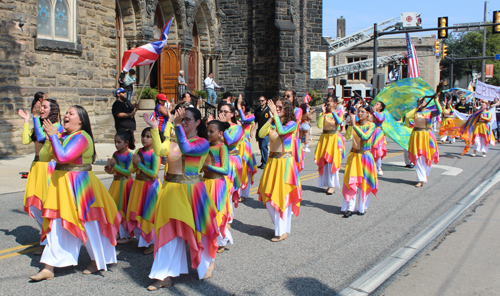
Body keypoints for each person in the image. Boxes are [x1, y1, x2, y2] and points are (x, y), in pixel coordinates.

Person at [30, 106, 120, 281]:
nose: (66, 115)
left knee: (89, 225)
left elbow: (63, 157)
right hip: (61, 185)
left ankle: (96, 260)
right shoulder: (63, 137)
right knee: (57, 224)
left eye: (71, 113)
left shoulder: (82, 137)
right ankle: (49, 267)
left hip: (80, 186)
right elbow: (43, 158)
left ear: (81, 120)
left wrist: (55, 136)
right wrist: (51, 137)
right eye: (67, 113)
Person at [145, 107, 218, 290]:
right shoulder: (172, 141)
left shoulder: (202, 142)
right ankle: (164, 276)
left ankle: (207, 262)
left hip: (192, 192)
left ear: (197, 122)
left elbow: (187, 148)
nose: (184, 122)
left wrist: (176, 125)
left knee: (196, 231)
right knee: (167, 232)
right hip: (171, 191)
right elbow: (160, 151)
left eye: (187, 119)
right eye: (181, 119)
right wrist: (155, 128)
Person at [18, 98, 63, 255]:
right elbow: (25, 140)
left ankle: (49, 242)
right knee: (34, 205)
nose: (41, 109)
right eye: (41, 107)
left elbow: (43, 137)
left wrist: (36, 117)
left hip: (48, 169)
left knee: (46, 206)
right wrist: (27, 120)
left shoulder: (56, 126)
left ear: (53, 110)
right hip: (36, 167)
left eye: (45, 107)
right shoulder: (38, 125)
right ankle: (46, 239)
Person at [258, 98, 302, 242]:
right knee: (268, 195)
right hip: (272, 163)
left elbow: (282, 132)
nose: (276, 109)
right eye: (276, 107)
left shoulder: (292, 124)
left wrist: (275, 117)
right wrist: (270, 120)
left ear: (287, 109)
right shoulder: (274, 122)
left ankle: (281, 231)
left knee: (281, 196)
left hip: (284, 163)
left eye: (279, 107)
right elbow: (260, 134)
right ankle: (281, 228)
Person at [125, 127, 161, 255]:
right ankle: (143, 240)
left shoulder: (155, 153)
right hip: (138, 186)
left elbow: (154, 174)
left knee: (149, 214)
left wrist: (139, 164)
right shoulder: (138, 151)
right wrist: (134, 166)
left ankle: (152, 242)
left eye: (148, 136)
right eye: (143, 136)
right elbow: (130, 170)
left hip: (151, 187)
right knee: (138, 212)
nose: (144, 139)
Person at [202, 120, 233, 253]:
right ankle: (208, 238)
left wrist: (207, 167)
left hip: (218, 184)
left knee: (218, 213)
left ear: (220, 133)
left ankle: (221, 240)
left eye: (211, 131)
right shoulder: (205, 146)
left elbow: (225, 170)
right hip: (205, 183)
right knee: (206, 213)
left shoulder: (222, 147)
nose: (208, 134)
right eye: (207, 131)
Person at [342, 106, 377, 218]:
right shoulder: (355, 124)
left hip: (365, 157)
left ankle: (362, 207)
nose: (360, 113)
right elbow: (347, 136)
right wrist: (350, 125)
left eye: (362, 111)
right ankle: (350, 208)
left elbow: (365, 137)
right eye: (358, 111)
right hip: (354, 156)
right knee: (352, 182)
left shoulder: (371, 125)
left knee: (363, 182)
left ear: (368, 113)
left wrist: (354, 125)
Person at [104, 130, 135, 244]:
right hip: (116, 183)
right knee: (114, 208)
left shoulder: (129, 155)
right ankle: (117, 232)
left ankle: (127, 235)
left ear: (126, 143)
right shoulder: (115, 154)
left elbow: (127, 172)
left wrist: (115, 166)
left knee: (124, 209)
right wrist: (109, 170)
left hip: (125, 184)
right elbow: (114, 170)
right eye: (115, 142)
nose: (116, 145)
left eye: (119, 142)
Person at [406, 96, 443, 187]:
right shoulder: (415, 112)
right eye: (419, 101)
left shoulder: (430, 112)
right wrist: (416, 109)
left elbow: (440, 111)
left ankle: (425, 174)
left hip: (427, 135)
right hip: (417, 135)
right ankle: (420, 179)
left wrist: (436, 100)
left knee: (428, 155)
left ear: (426, 102)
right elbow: (407, 116)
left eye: (422, 101)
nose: (421, 102)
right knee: (418, 157)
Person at [314, 96, 345, 195]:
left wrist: (333, 111)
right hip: (325, 138)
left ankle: (332, 185)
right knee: (325, 161)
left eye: (331, 101)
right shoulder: (323, 113)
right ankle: (328, 184)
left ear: (335, 103)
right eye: (328, 101)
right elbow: (319, 125)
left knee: (332, 161)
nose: (329, 103)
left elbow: (339, 122)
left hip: (334, 138)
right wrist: (322, 113)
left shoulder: (339, 112)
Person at [218, 103, 244, 209]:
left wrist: (223, 127)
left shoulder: (237, 128)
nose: (222, 114)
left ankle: (228, 219)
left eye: (225, 112)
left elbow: (229, 141)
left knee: (227, 190)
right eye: (220, 111)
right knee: (219, 190)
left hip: (231, 161)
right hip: (219, 159)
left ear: (232, 114)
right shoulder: (216, 126)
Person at [236, 95, 257, 203]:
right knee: (237, 169)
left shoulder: (251, 116)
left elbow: (244, 119)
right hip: (236, 146)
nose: (240, 109)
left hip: (245, 146)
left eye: (242, 107)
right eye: (239, 107)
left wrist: (239, 106)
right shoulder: (235, 117)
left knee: (246, 170)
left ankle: (244, 194)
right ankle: (236, 191)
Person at [284, 90, 304, 172]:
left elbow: (293, 123)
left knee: (292, 167)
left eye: (288, 96)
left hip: (292, 140)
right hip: (283, 141)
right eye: (284, 96)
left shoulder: (298, 110)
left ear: (294, 98)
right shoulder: (281, 110)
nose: (286, 98)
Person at [253, 96, 271, 169]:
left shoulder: (268, 110)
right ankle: (263, 161)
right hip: (259, 131)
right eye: (259, 101)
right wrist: (252, 131)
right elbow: (255, 121)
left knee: (264, 147)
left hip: (266, 132)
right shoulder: (257, 111)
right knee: (261, 147)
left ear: (265, 101)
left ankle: (265, 162)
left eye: (262, 100)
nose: (261, 102)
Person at [370, 102, 387, 175]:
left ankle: (379, 166)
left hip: (378, 132)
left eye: (377, 104)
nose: (375, 105)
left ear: (381, 107)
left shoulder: (381, 114)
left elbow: (380, 119)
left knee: (377, 149)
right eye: (375, 104)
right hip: (371, 131)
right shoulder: (371, 113)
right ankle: (371, 166)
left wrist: (374, 112)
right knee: (370, 149)